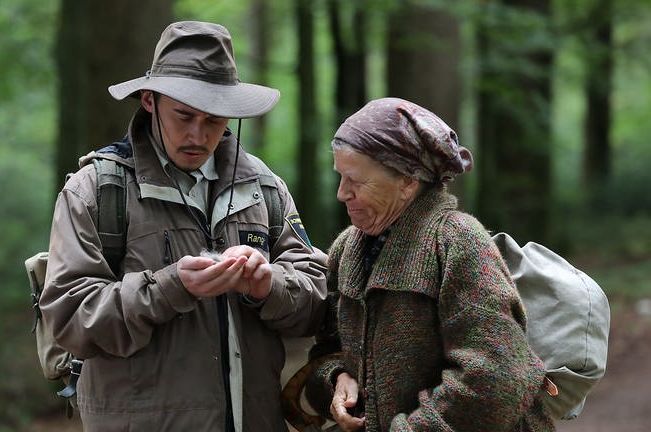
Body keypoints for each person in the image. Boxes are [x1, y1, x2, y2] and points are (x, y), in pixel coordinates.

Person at [39, 21, 328, 432]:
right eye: (184, 116)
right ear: (149, 101)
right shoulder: (96, 190)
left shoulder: (264, 188)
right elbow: (70, 320)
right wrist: (171, 287)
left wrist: (268, 287)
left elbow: (319, 300)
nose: (198, 135)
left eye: (213, 120)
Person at [303, 98, 555, 431]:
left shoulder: (458, 242)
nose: (341, 193)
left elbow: (497, 378)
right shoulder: (346, 249)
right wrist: (336, 381)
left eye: (356, 181)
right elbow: (327, 352)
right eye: (340, 177)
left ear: (408, 182)